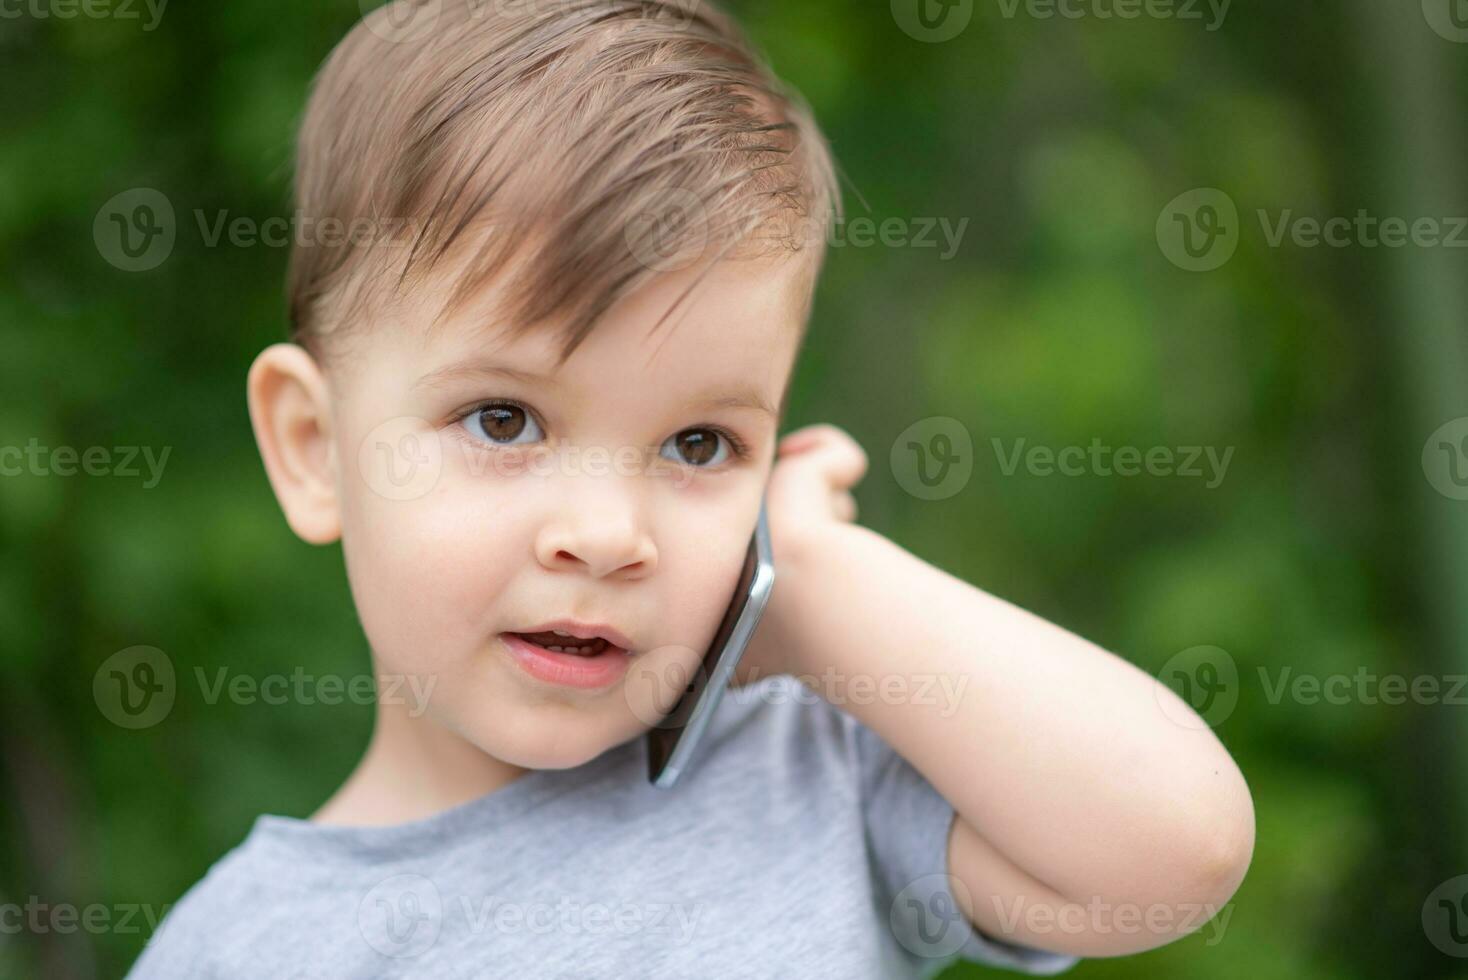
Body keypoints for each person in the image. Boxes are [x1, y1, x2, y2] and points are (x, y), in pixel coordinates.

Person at [127, 1, 1254, 975]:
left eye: (700, 445)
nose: (610, 535)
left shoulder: (808, 772)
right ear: (315, 447)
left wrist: (811, 576)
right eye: (503, 419)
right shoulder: (248, 948)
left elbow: (1176, 844)